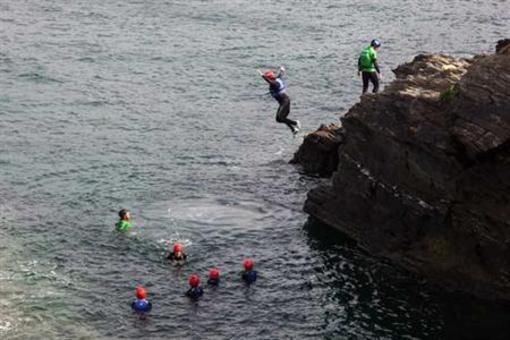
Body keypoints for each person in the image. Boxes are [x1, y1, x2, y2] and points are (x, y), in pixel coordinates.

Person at [259, 66, 301, 135]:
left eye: (268, 77)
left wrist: (262, 76)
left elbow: (269, 81)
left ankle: (296, 123)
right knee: (279, 119)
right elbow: (279, 76)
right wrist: (282, 71)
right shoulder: (276, 79)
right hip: (283, 103)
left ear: (270, 78)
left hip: (285, 102)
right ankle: (294, 129)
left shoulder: (275, 84)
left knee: (281, 117)